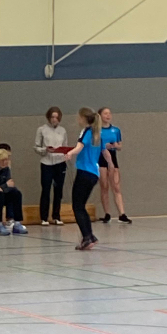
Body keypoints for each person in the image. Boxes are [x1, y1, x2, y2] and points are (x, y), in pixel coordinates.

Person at [64, 107, 112, 251]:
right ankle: (90, 236)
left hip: (84, 172)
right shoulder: (98, 133)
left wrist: (70, 153)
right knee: (81, 205)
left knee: (77, 206)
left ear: (83, 118)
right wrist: (111, 165)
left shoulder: (86, 131)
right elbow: (105, 152)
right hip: (94, 174)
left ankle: (87, 237)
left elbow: (79, 147)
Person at [34, 107, 68, 226]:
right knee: (46, 189)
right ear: (49, 117)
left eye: (57, 117)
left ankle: (56, 216)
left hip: (60, 162)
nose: (54, 119)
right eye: (52, 117)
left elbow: (65, 146)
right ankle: (44, 217)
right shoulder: (41, 129)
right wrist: (45, 150)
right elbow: (36, 147)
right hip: (46, 163)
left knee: (58, 190)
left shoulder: (63, 130)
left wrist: (66, 154)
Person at [98, 107, 131, 224]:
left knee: (116, 187)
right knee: (104, 186)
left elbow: (120, 146)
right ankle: (107, 213)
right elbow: (94, 145)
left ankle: (122, 214)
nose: (108, 115)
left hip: (113, 157)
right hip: (101, 158)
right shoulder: (96, 130)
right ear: (100, 116)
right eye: (105, 113)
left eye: (109, 113)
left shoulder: (116, 130)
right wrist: (104, 146)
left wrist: (115, 146)